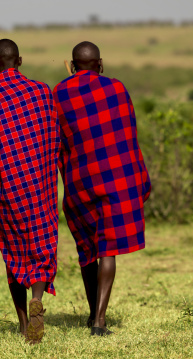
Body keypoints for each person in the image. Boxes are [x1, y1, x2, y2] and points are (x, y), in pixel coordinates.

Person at [53, 41, 151, 336]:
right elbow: (128, 135)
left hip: (80, 181)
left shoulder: (58, 93)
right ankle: (99, 321)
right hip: (116, 179)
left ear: (72, 65)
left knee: (87, 249)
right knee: (107, 249)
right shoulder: (117, 89)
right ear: (100, 64)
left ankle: (92, 313)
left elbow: (58, 142)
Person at [0, 39, 59, 344]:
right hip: (40, 181)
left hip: (6, 182)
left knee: (13, 247)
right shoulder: (41, 91)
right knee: (40, 239)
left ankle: (24, 322)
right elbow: (52, 135)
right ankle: (38, 297)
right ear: (19, 61)